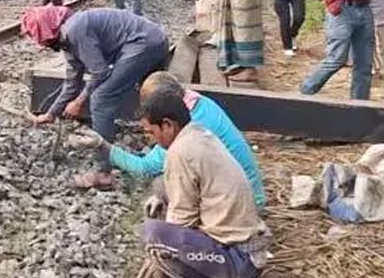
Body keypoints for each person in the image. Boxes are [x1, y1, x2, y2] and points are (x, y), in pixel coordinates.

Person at [22, 5, 168, 189]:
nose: (41, 44)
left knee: (101, 99)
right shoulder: (67, 40)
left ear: (47, 31)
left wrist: (79, 101)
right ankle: (166, 147)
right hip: (149, 41)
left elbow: (100, 73)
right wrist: (51, 114)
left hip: (145, 43)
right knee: (150, 95)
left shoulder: (75, 30)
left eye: (40, 40)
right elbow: (71, 83)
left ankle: (102, 173)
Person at [136, 89, 270, 278]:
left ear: (167, 125)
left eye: (151, 132)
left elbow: (182, 221)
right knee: (162, 188)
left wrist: (156, 256)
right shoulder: (199, 132)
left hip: (236, 258)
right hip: (250, 247)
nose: (149, 139)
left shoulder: (180, 152)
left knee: (153, 232)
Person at [104, 71, 265, 208]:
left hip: (243, 207)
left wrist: (104, 147)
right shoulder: (197, 102)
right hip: (249, 192)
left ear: (166, 120)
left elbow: (145, 167)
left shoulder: (187, 133)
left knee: (162, 186)